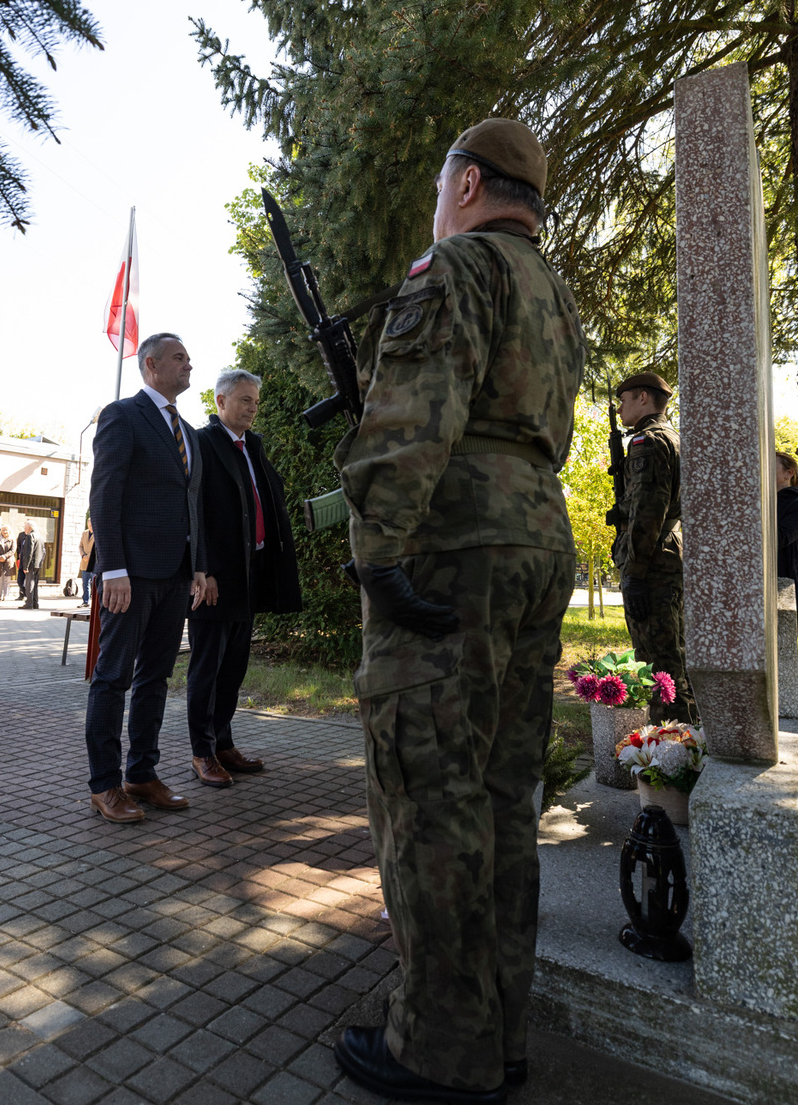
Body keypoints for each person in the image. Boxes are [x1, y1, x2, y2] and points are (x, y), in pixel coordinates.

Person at [332, 118, 585, 1104]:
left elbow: (412, 415)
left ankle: (439, 1050)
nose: (441, 203)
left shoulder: (458, 264)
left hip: (456, 543)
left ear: (469, 184)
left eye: (446, 186)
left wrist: (377, 550)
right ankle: (498, 1034)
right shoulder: (552, 292)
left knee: (429, 790)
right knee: (501, 795)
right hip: (538, 538)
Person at [85, 332, 207, 824]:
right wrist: (112, 567)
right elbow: (104, 494)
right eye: (180, 358)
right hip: (130, 575)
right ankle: (105, 784)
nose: (189, 365)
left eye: (190, 359)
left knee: (155, 678)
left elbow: (192, 505)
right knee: (112, 678)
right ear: (151, 364)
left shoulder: (189, 432)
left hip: (176, 575)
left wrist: (198, 566)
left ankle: (141, 774)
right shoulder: (122, 415)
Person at [186, 368, 301, 787]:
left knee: (233, 668)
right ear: (220, 402)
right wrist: (206, 570)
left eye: (255, 401)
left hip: (250, 574)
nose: (252, 408)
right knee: (207, 669)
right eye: (244, 400)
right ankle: (201, 753)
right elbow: (195, 512)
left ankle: (223, 743)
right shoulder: (201, 443)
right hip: (214, 579)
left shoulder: (252, 446)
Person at [612, 372, 694, 724]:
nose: (619, 409)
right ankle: (687, 733)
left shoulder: (648, 441)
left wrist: (634, 572)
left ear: (642, 398)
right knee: (676, 653)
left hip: (652, 562)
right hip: (669, 554)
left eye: (624, 400)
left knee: (658, 663)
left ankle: (672, 739)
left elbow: (647, 512)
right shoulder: (675, 438)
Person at [776, 450, 798, 601]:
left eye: (771, 465)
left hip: (784, 583)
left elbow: (781, 538)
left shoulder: (795, 502)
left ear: (788, 473)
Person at [19, 519, 45, 609]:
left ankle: (29, 604)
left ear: (29, 527)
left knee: (29, 584)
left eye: (25, 526)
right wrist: (40, 562)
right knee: (35, 584)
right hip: (37, 564)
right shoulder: (39, 536)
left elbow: (28, 552)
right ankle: (35, 603)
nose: (24, 528)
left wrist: (25, 566)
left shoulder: (30, 536)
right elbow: (43, 552)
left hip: (31, 564)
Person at [79, 518, 95, 605]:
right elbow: (80, 546)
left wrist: (89, 556)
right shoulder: (84, 533)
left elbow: (97, 547)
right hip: (84, 563)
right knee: (85, 583)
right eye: (89, 525)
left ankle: (94, 602)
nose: (90, 527)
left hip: (93, 563)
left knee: (94, 584)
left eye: (91, 525)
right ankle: (85, 601)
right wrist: (83, 555)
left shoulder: (97, 533)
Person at [0, 524, 14, 602]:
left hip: (8, 562)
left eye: (6, 530)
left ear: (9, 531)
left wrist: (4, 556)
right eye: (3, 530)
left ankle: (6, 595)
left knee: (7, 579)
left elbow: (12, 550)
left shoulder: (12, 539)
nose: (5, 531)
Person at [15, 526, 27, 599]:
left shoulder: (33, 535)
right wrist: (19, 554)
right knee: (20, 580)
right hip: (21, 560)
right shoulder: (21, 535)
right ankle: (22, 594)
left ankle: (27, 595)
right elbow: (18, 546)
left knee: (27, 579)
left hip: (28, 561)